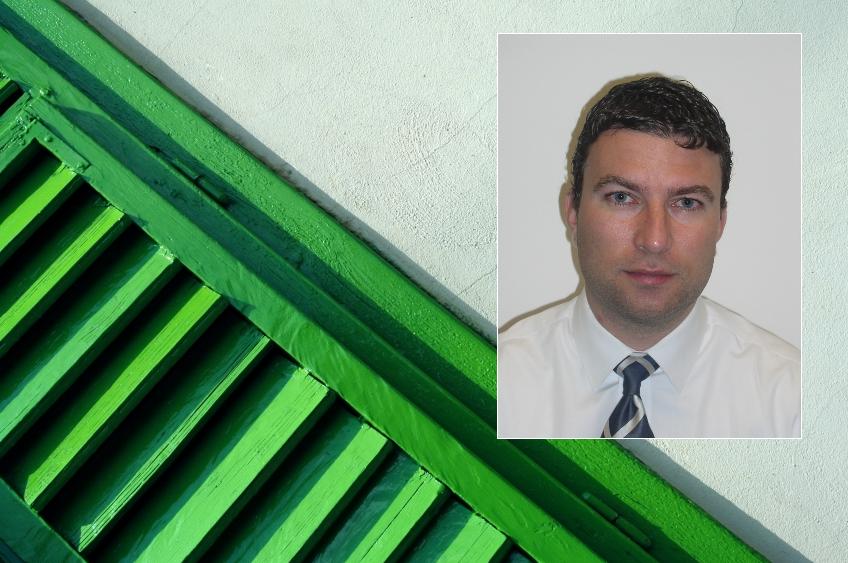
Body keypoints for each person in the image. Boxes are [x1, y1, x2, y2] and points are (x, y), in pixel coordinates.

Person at [497, 76, 800, 439]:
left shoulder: (790, 401)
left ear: (720, 222)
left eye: (686, 203)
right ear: (573, 211)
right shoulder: (499, 382)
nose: (654, 240)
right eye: (622, 197)